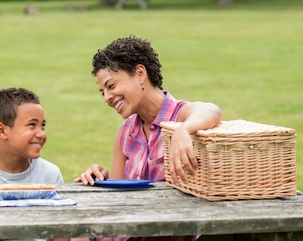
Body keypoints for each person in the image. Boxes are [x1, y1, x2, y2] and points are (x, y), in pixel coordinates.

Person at [74, 35, 222, 241]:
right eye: (102, 92)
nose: (107, 97)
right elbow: (117, 199)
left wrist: (183, 130)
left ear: (140, 74)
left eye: (111, 86)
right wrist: (101, 178)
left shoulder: (179, 116)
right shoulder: (125, 133)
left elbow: (211, 110)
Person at [0, 87, 69, 241]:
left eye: (42, 125)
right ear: (1, 130)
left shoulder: (50, 173)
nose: (42, 133)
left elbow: (61, 233)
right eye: (32, 125)